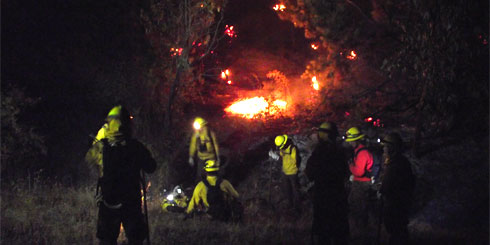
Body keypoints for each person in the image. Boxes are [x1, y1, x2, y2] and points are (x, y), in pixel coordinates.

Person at [85, 105, 156, 245]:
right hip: (131, 203)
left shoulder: (100, 147)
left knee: (107, 240)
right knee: (136, 239)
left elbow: (90, 162)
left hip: (108, 203)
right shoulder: (136, 147)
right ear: (127, 125)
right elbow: (151, 167)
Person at [305, 122, 350, 244]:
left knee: (324, 234)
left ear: (323, 135)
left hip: (323, 197)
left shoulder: (319, 152)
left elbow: (309, 173)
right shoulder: (340, 152)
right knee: (339, 234)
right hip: (338, 196)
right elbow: (346, 172)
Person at [379, 133, 415, 245]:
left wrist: (380, 188)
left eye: (385, 147)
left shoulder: (395, 165)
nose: (384, 150)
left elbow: (387, 186)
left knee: (397, 232)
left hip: (395, 205)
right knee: (399, 232)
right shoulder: (401, 162)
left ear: (392, 148)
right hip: (400, 204)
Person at [344, 127, 376, 243]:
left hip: (362, 184)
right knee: (355, 205)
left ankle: (363, 235)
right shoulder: (359, 151)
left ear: (356, 140)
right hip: (359, 183)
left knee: (360, 209)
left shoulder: (362, 153)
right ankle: (360, 232)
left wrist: (350, 165)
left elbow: (359, 172)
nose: (350, 143)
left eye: (351, 140)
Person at [274, 134, 301, 212]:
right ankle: (290, 204)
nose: (280, 148)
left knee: (295, 190)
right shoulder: (282, 149)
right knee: (287, 189)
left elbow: (294, 161)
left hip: (292, 173)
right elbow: (282, 159)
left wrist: (286, 155)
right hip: (285, 172)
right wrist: (275, 156)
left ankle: (297, 207)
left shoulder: (293, 149)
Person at [189, 117, 219, 182]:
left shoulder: (209, 133)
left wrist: (218, 156)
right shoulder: (196, 134)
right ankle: (200, 189)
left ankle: (213, 189)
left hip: (210, 158)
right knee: (200, 176)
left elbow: (215, 144)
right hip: (201, 158)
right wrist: (191, 156)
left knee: (211, 175)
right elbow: (193, 145)